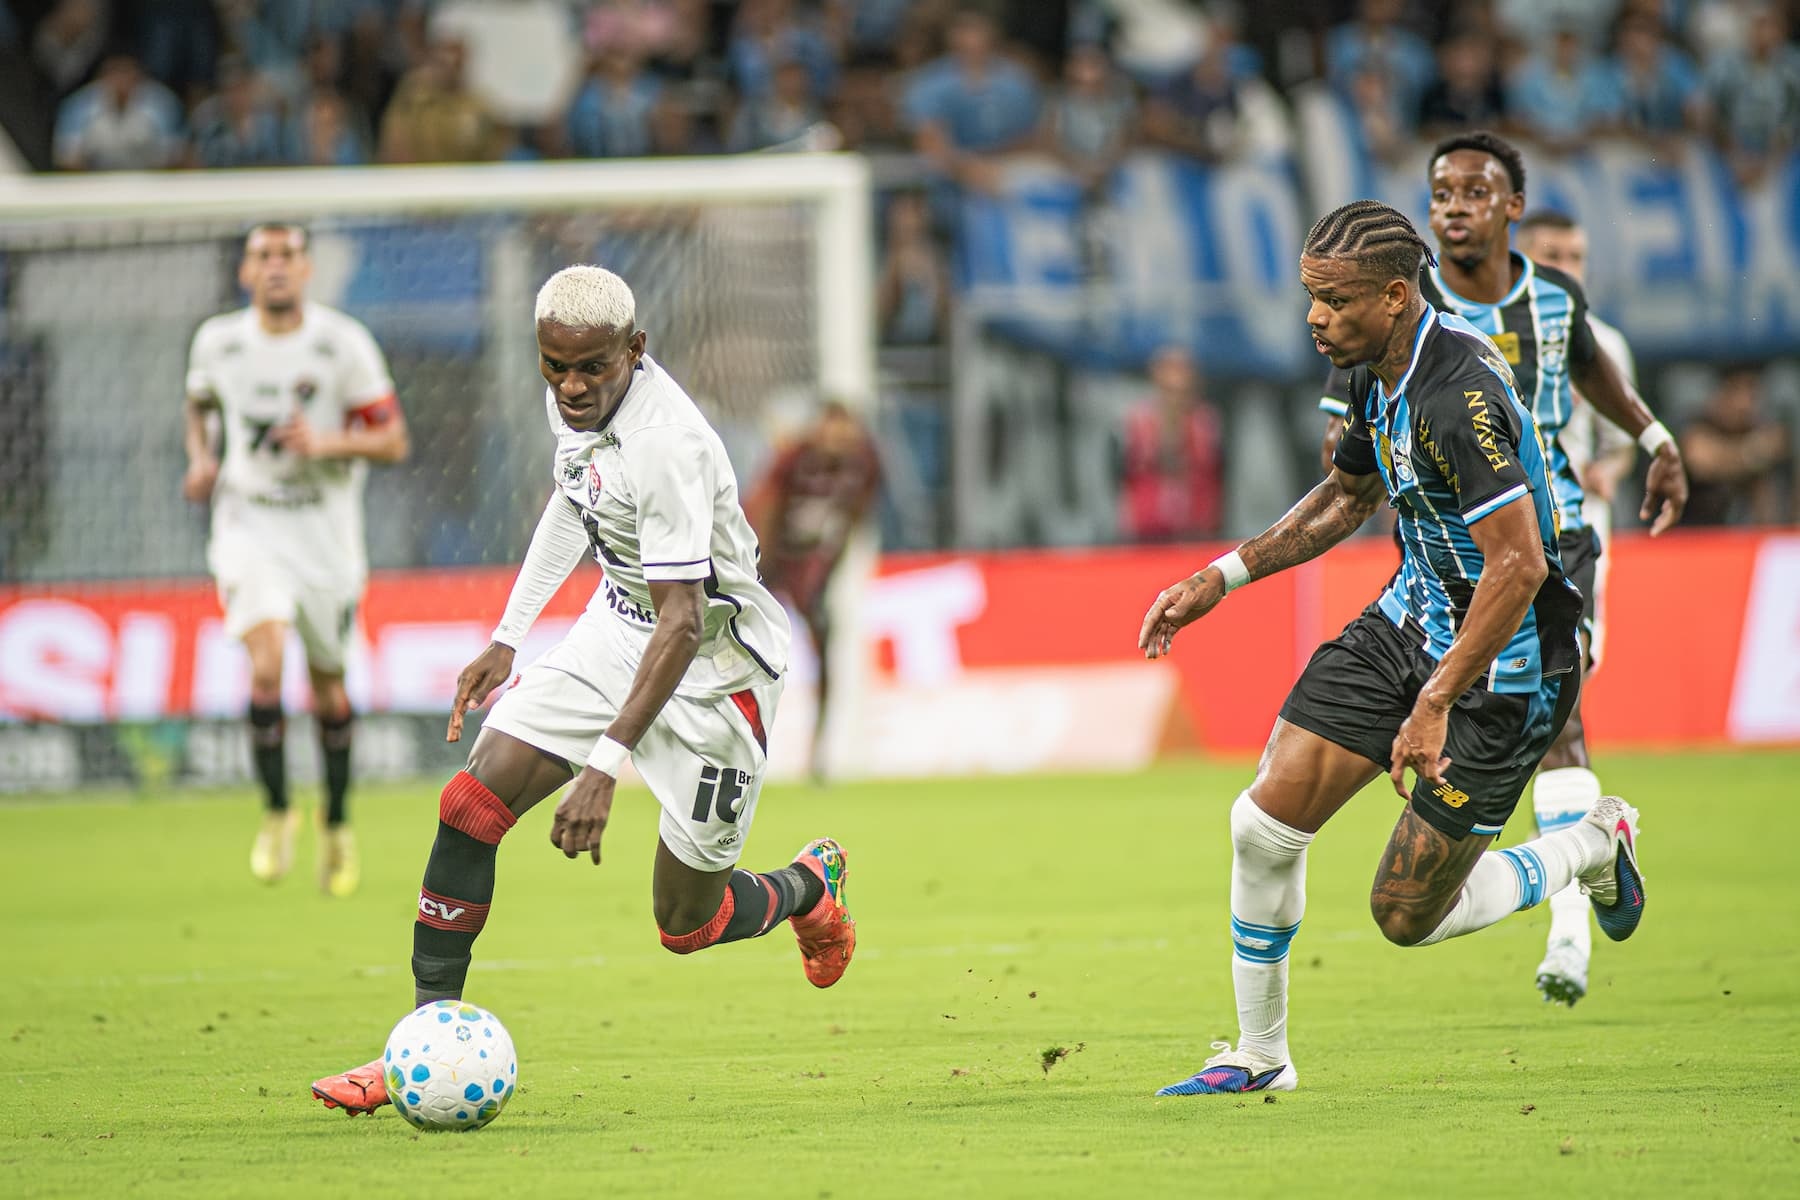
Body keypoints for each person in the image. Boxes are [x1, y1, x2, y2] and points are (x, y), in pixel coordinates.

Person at [310, 267, 855, 1116]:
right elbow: (575, 503)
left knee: (687, 923)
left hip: (714, 675)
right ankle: (422, 1044)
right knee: (470, 805)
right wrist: (506, 635)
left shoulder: (667, 445)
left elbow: (680, 623)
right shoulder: (576, 395)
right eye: (554, 368)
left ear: (634, 352)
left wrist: (605, 764)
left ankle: (807, 889)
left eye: (591, 369)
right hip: (616, 631)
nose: (570, 386)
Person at [1139, 200, 1646, 1098]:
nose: (1314, 318)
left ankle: (1593, 844)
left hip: (1506, 669)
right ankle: (1260, 1057)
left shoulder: (1463, 396)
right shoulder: (1380, 363)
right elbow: (1345, 499)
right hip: (1409, 624)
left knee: (1408, 915)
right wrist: (1219, 578)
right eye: (1310, 298)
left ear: (1397, 294)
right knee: (1261, 826)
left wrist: (1436, 701)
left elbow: (1521, 565)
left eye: (1333, 301)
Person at [1316, 132, 1689, 1006]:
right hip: (1445, 557)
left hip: (1551, 542)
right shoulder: (1398, 307)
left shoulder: (1553, 301)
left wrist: (1656, 438)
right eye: (1440, 191)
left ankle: (1569, 943)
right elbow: (1346, 434)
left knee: (1561, 719)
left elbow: (1596, 375)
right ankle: (1591, 857)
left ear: (1509, 206)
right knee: (1526, 734)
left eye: (1474, 191)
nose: (1453, 205)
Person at [182, 224, 409, 896]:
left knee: (329, 688)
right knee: (267, 662)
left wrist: (329, 442)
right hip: (249, 525)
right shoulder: (217, 342)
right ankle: (278, 811)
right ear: (245, 271)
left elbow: (394, 440)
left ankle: (335, 821)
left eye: (286, 255)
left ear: (307, 269)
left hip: (324, 535)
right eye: (261, 256)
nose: (275, 267)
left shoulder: (342, 344)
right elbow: (197, 406)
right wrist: (201, 461)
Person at [744, 401, 881, 781]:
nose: (838, 439)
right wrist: (759, 574)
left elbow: (854, 518)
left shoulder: (866, 463)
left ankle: (818, 754)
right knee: (742, 655)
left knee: (825, 650)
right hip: (766, 561)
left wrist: (824, 573)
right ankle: (733, 748)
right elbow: (763, 506)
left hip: (810, 567)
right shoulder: (793, 458)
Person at [1118, 345, 1223, 543]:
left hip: (1196, 531)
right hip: (1147, 530)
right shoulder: (1138, 422)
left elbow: (1210, 472)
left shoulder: (1205, 423)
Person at [1679, 365, 1792, 526]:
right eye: (1736, 391)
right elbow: (1701, 461)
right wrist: (1755, 452)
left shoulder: (1757, 428)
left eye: (1751, 393)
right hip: (1689, 538)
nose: (1744, 404)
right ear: (1719, 394)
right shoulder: (1695, 423)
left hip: (1743, 537)